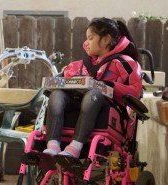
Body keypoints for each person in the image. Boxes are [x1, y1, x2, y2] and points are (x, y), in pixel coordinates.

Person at [43, 17, 142, 158]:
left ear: (106, 40)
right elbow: (62, 81)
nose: (86, 43)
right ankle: (53, 145)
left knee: (93, 94)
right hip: (77, 104)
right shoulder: (77, 65)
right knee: (56, 95)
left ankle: (75, 147)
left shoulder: (124, 62)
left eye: (90, 38)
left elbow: (135, 91)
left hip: (108, 108)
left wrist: (109, 85)